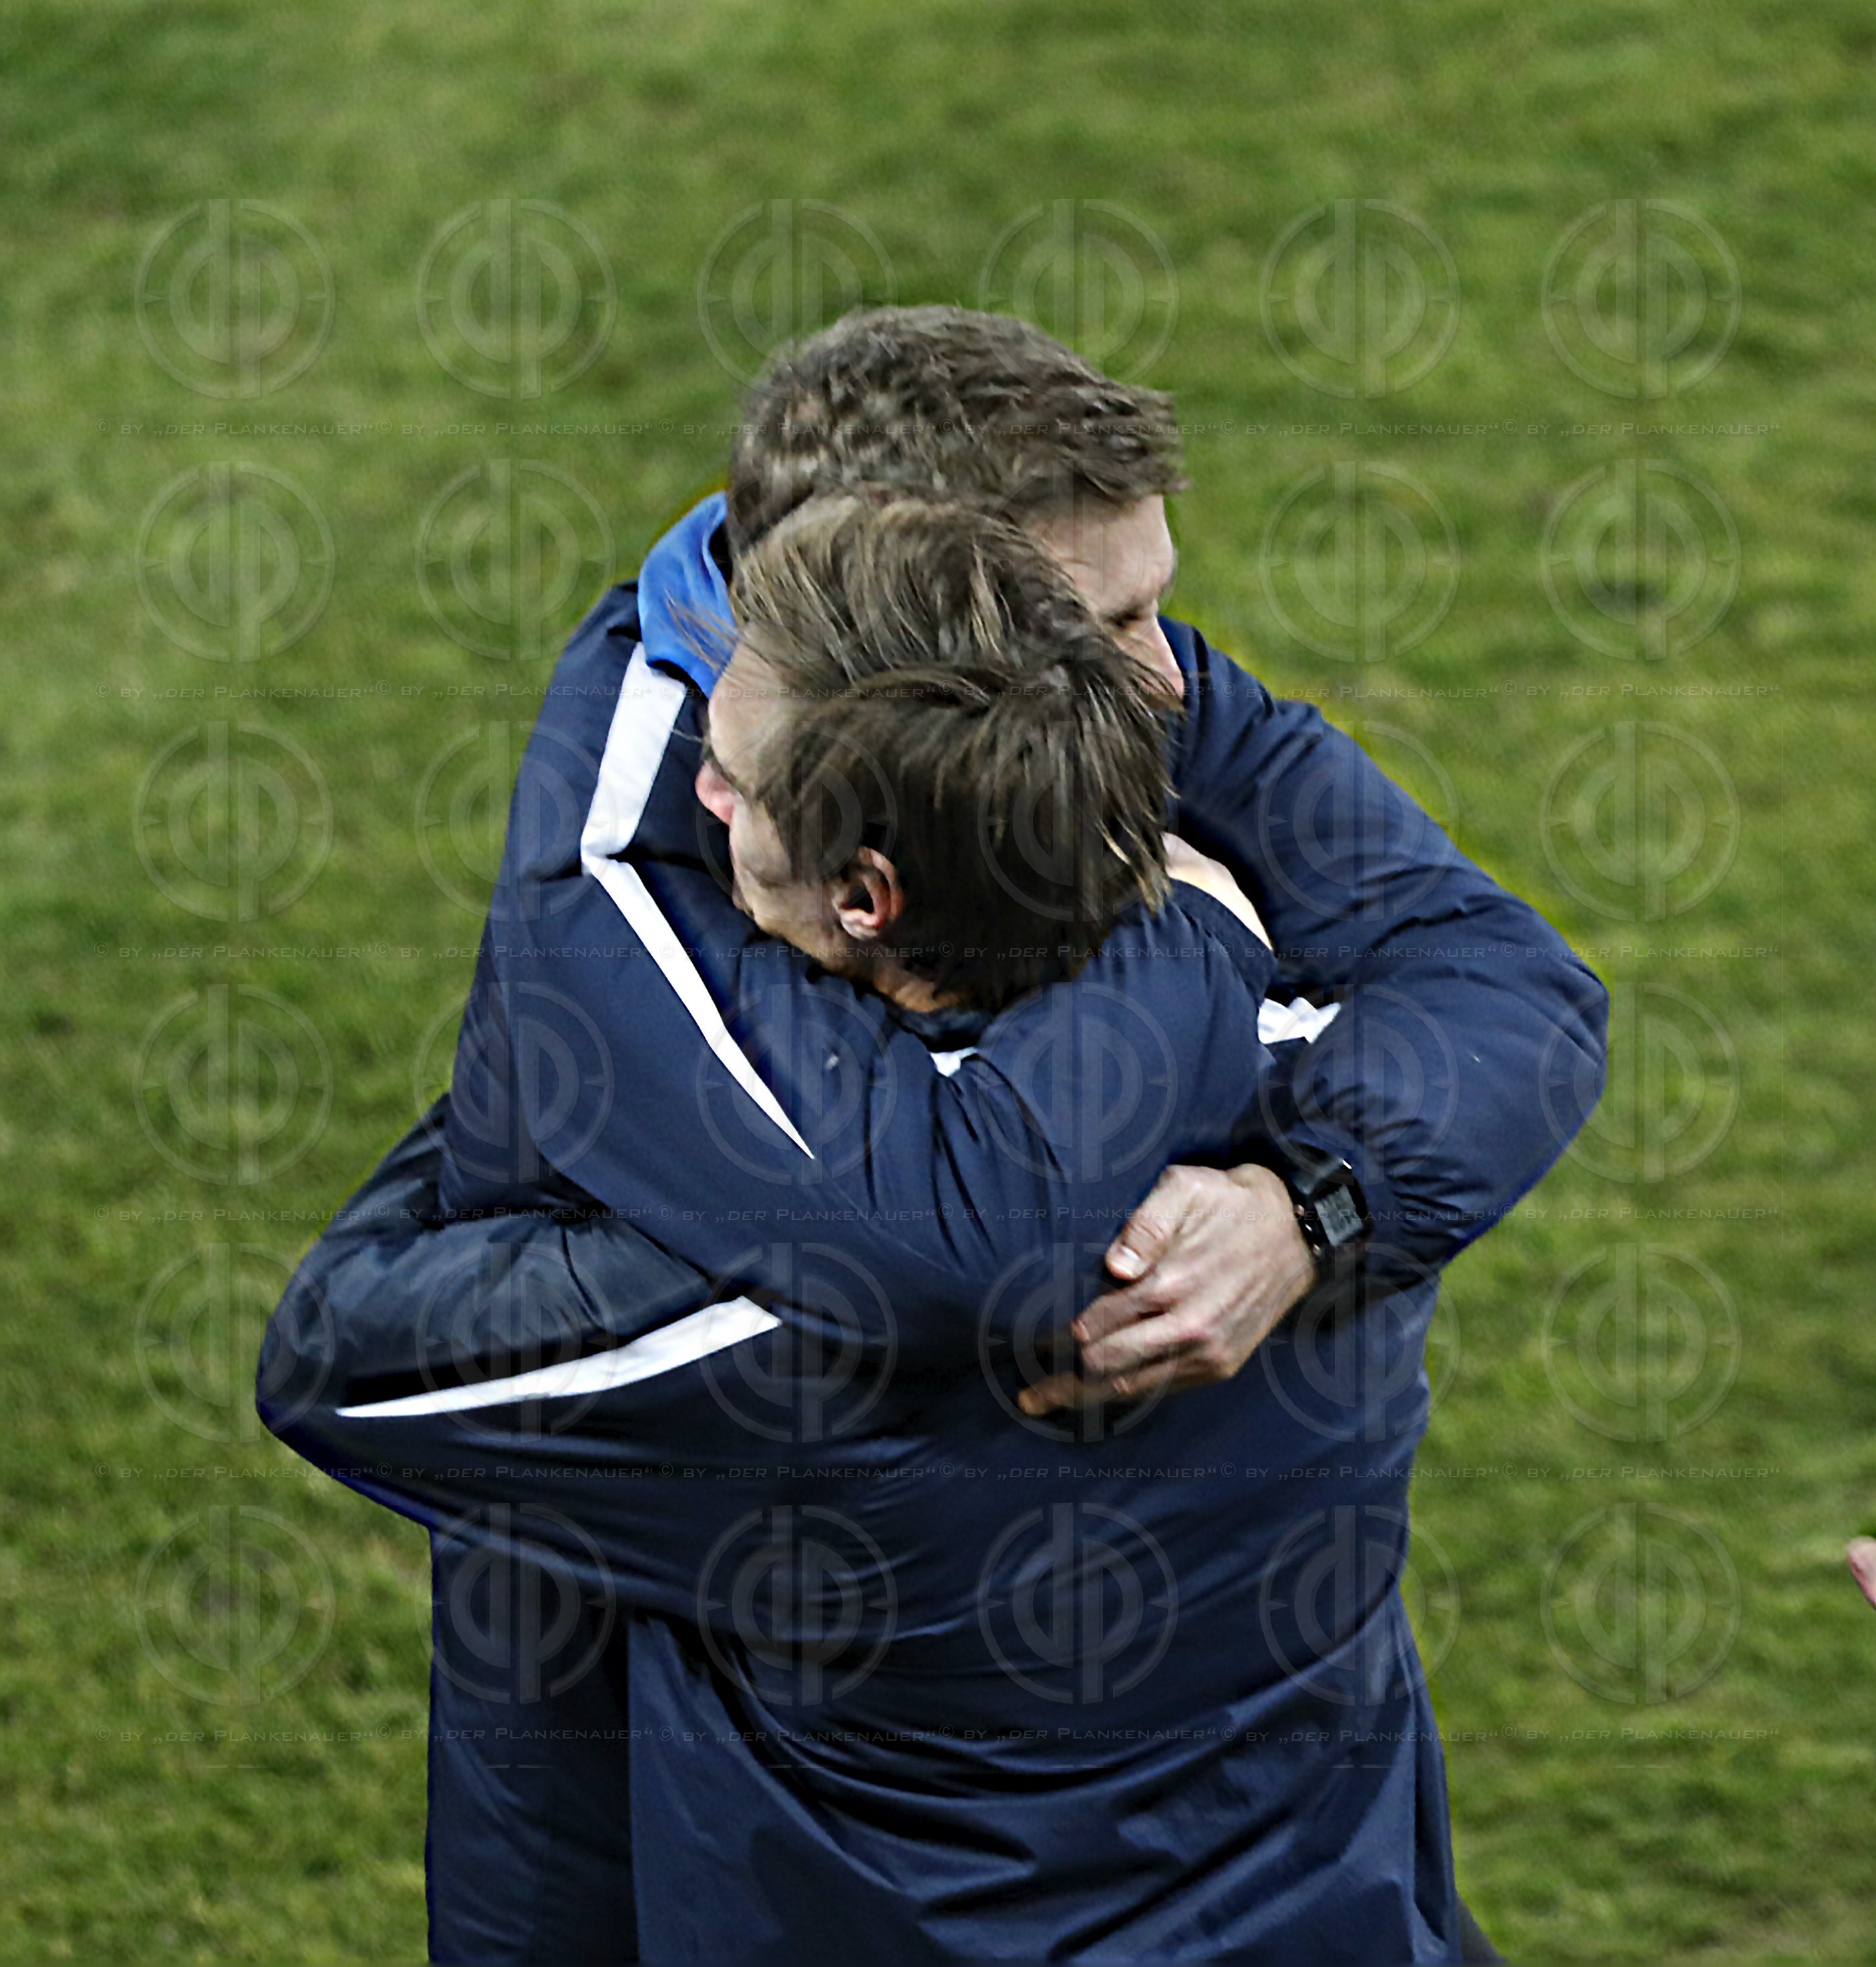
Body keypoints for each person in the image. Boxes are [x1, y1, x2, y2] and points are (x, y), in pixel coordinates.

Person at [277, 305, 1606, 1959]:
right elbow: (955, 1231)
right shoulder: (642, 859)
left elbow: (1514, 988)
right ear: (921, 627)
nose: (1171, 677)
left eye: (1155, 605)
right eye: (1102, 617)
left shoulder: (769, 1329)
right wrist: (1205, 964)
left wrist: (1304, 1206)